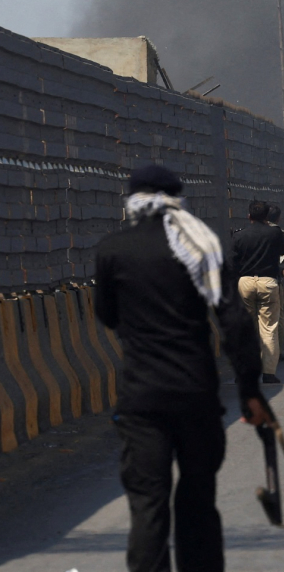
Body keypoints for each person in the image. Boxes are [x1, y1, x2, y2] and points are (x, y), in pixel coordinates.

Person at [94, 164, 269, 572]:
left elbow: (106, 314)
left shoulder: (111, 250)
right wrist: (250, 391)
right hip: (196, 396)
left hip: (141, 400)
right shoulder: (200, 245)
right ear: (178, 197)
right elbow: (235, 323)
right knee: (197, 502)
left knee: (148, 506)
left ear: (133, 198)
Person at [230, 200, 284, 384]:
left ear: (249, 216)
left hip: (246, 282)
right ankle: (269, 373)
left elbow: (233, 262)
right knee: (269, 328)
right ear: (266, 217)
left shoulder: (239, 235)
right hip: (268, 282)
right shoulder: (275, 233)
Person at [265, 203, 284, 363]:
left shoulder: (247, 232)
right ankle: (277, 351)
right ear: (279, 218)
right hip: (272, 279)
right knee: (277, 317)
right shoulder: (280, 233)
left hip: (248, 280)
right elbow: (283, 259)